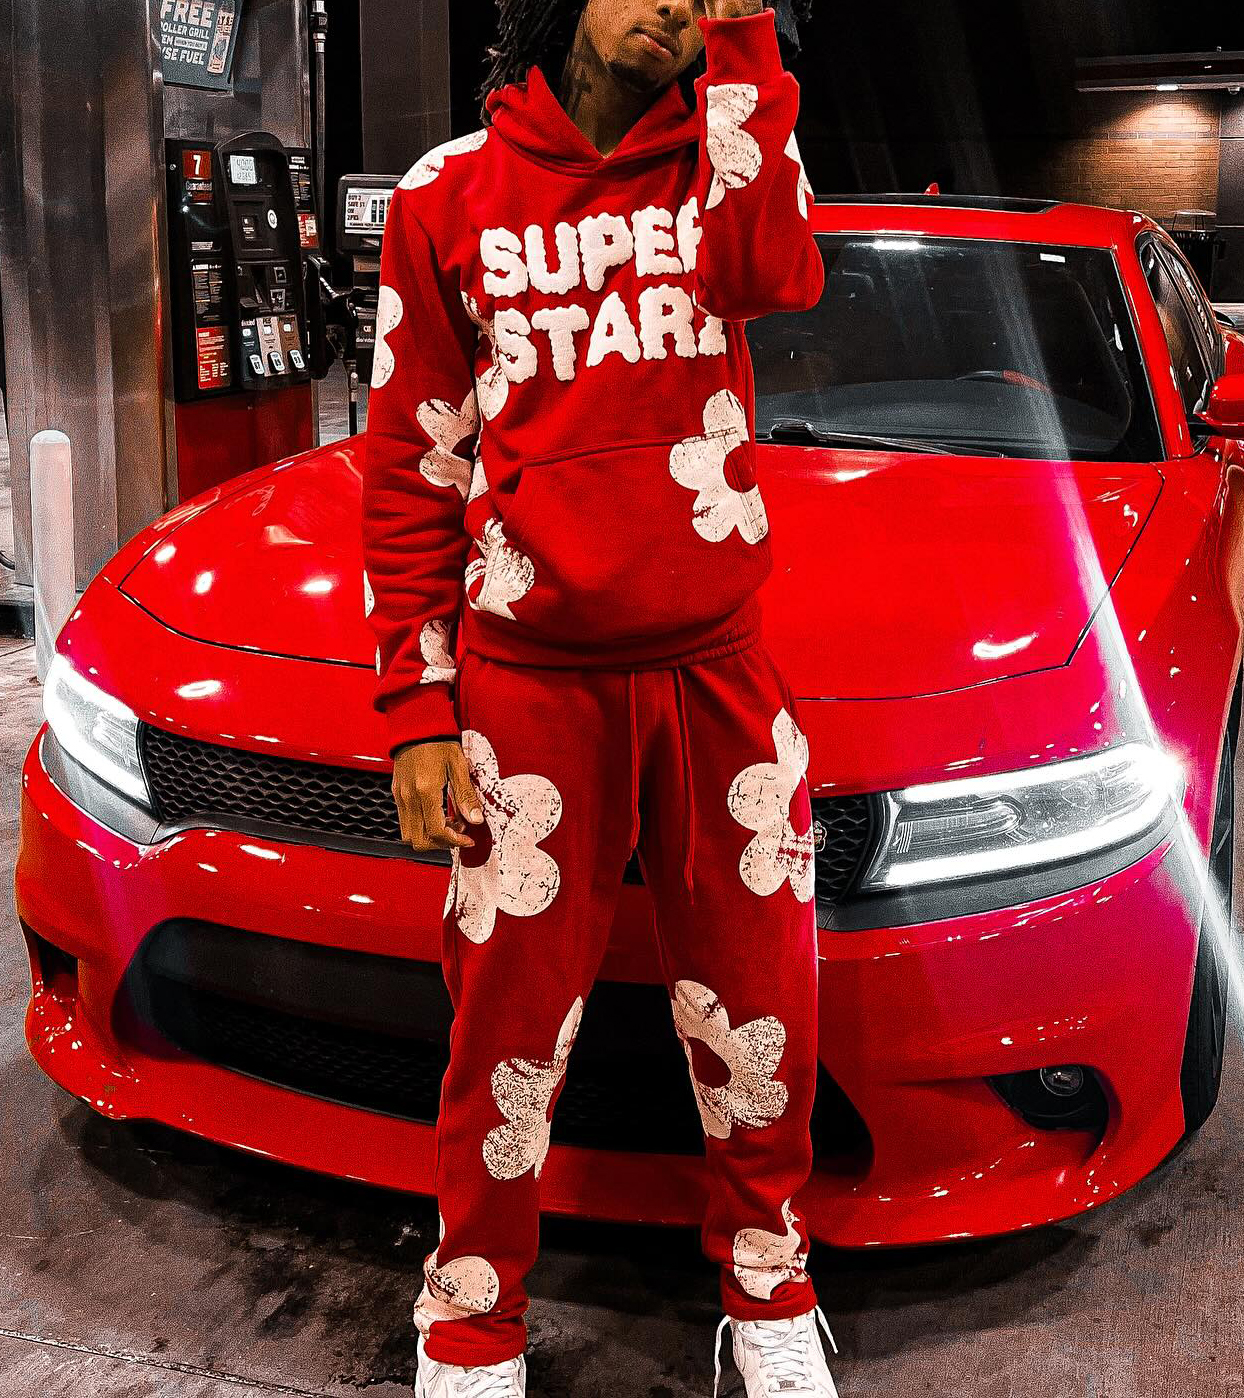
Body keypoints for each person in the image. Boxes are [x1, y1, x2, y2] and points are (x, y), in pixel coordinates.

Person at [358, 2, 832, 1394]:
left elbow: (768, 272)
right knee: (502, 1032)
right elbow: (411, 464)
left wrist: (747, 57)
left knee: (759, 1018)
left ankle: (768, 1288)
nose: (674, 1)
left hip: (718, 675)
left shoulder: (735, 155)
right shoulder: (447, 191)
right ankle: (472, 1317)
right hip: (529, 688)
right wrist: (418, 707)